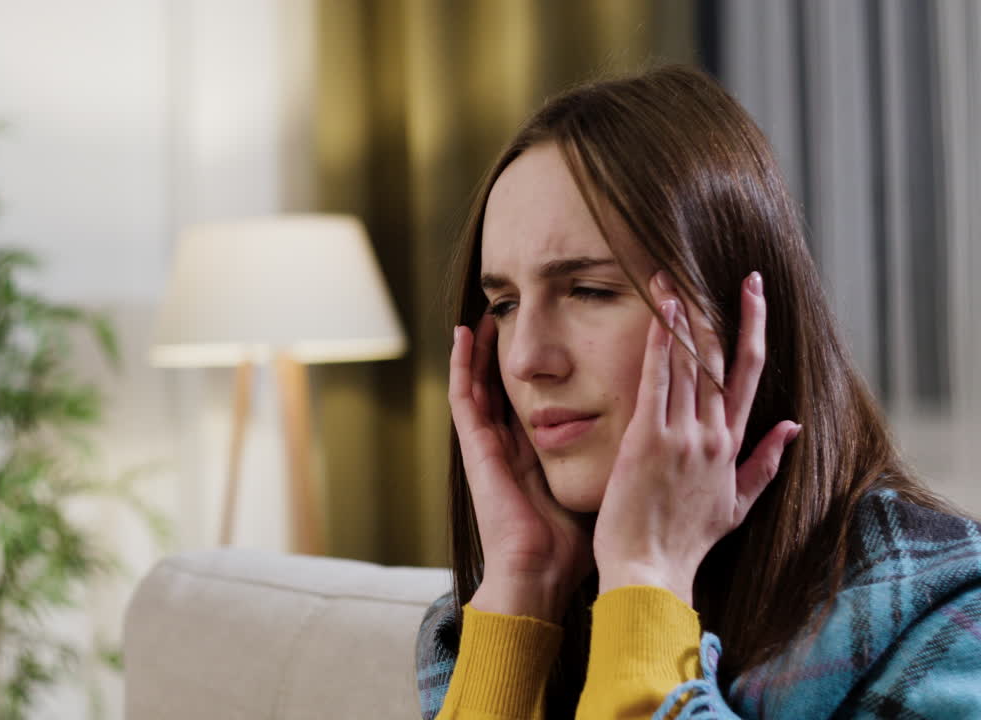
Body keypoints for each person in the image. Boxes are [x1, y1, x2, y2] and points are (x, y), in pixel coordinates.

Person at [416, 65, 981, 720]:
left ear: (736, 319)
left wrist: (645, 578)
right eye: (505, 304)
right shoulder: (479, 620)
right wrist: (522, 587)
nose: (525, 360)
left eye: (590, 290)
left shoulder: (942, 617)